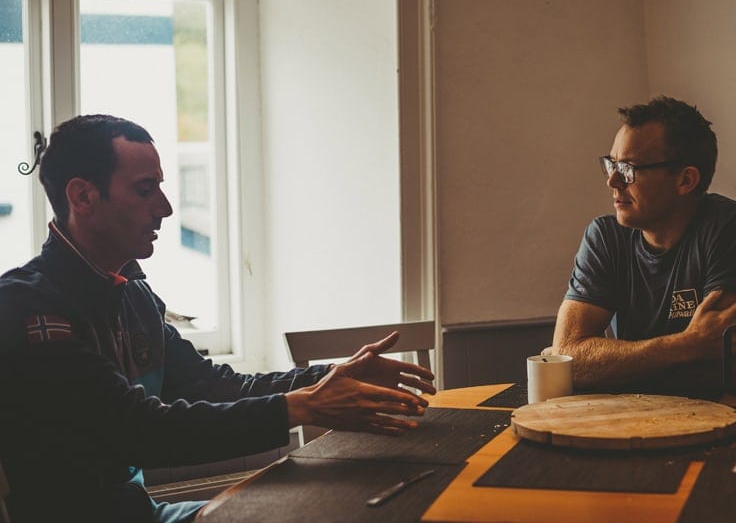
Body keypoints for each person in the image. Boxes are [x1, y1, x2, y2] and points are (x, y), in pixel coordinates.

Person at [0, 114, 436, 523]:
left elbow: (212, 385)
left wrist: (329, 376)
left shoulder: (130, 292)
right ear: (82, 196)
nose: (166, 208)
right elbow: (139, 429)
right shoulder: (26, 307)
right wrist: (305, 405)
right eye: (145, 189)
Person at [549, 96, 736, 397]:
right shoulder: (605, 236)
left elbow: (713, 368)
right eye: (611, 165)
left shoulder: (733, 228)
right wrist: (686, 345)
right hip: (625, 419)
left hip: (718, 419)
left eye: (628, 168)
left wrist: (610, 363)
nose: (613, 181)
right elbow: (567, 361)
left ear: (685, 180)